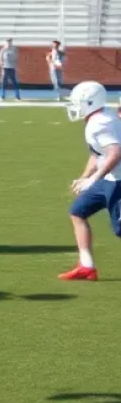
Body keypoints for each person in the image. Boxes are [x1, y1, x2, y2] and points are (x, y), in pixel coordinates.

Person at [60, 81, 121, 281]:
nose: (74, 106)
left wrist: (94, 177)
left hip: (118, 181)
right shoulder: (97, 118)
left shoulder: (99, 123)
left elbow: (115, 153)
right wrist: (85, 177)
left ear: (90, 102)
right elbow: (97, 154)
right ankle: (87, 266)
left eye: (78, 102)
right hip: (108, 179)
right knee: (78, 212)